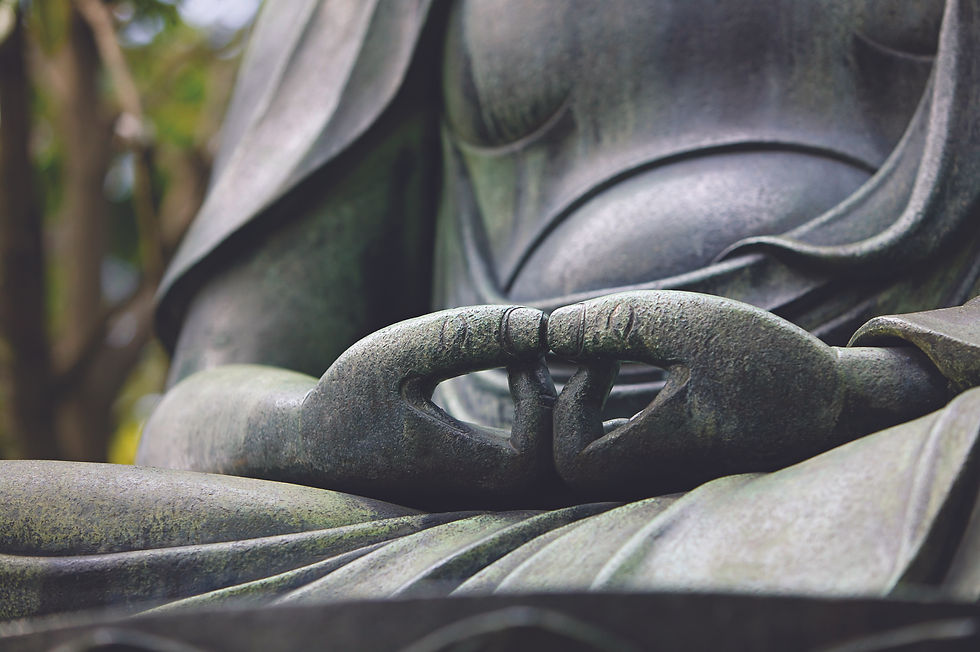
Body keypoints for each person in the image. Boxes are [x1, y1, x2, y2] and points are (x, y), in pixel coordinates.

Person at [3, 0, 980, 621]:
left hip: (900, 443)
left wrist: (866, 385)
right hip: (442, 509)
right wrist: (319, 426)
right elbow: (200, 401)